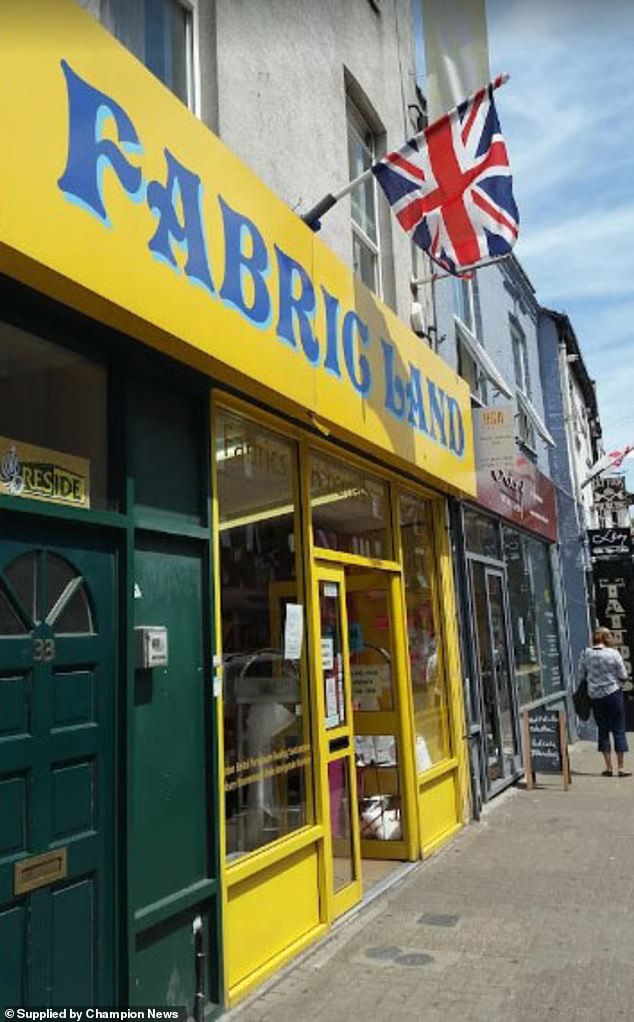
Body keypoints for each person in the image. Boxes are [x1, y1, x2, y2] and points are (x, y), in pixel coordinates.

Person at [578, 627, 631, 777]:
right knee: (618, 729)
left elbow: (581, 675)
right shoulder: (613, 654)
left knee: (603, 731)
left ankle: (608, 767)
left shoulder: (586, 653)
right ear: (607, 638)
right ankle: (621, 768)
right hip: (613, 694)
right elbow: (623, 674)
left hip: (595, 697)